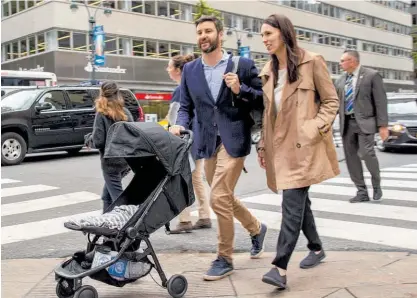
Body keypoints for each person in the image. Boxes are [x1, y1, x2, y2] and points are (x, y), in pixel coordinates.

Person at [170, 15, 268, 281]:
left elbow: (262, 99)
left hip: (234, 139)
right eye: (200, 32)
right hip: (206, 141)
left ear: (220, 34)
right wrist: (179, 125)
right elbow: (186, 106)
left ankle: (224, 258)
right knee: (223, 197)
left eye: (208, 31)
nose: (203, 35)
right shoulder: (190, 71)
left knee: (219, 198)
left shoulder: (243, 65)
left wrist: (240, 89)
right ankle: (256, 229)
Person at [256, 14, 340, 289]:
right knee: (299, 204)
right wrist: (262, 145)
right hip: (280, 149)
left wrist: (313, 128)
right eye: (262, 35)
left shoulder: (311, 61)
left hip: (305, 146)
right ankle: (316, 247)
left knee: (291, 203)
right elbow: (268, 114)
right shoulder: (268, 70)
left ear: (283, 33)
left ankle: (279, 267)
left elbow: (330, 101)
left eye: (269, 33)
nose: (265, 39)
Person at [165, 54, 212, 233]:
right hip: (198, 138)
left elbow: (176, 119)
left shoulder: (180, 90)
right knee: (197, 179)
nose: (168, 70)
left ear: (178, 70)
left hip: (185, 141)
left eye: (169, 66)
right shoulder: (194, 86)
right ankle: (204, 215)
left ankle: (185, 220)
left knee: (181, 179)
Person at [336, 49, 388, 203]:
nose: (340, 63)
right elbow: (334, 103)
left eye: (342, 60)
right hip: (347, 123)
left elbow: (380, 101)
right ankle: (361, 191)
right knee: (351, 158)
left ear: (353, 61)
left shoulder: (371, 75)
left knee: (367, 153)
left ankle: (376, 184)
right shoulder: (340, 80)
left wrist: (383, 126)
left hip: (365, 122)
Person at [89, 81, 133, 212]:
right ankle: (106, 223)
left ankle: (128, 222)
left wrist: (89, 139)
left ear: (101, 93)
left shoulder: (102, 114)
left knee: (117, 198)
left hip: (110, 162)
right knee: (106, 195)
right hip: (126, 160)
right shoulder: (125, 112)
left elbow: (98, 142)